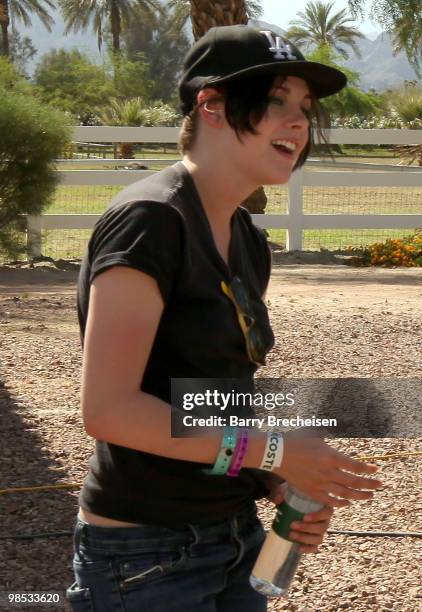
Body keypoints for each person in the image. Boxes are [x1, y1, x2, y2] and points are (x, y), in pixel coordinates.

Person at [66, 24, 382, 612]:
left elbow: (216, 397)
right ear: (211, 105)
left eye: (306, 109)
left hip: (235, 537)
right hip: (145, 559)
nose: (298, 123)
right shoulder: (151, 221)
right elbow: (108, 410)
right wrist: (274, 451)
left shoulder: (245, 238)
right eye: (276, 101)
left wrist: (276, 480)